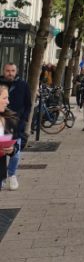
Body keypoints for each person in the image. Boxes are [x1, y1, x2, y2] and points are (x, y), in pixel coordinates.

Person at [2, 63, 31, 191]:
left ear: (16, 71)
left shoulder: (23, 85)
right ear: (4, 71)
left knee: (15, 153)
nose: (10, 73)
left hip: (16, 125)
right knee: (2, 153)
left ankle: (12, 174)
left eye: (13, 70)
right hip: (2, 124)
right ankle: (2, 177)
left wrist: (23, 120)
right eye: (8, 70)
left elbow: (28, 104)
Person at [0, 84, 21, 192]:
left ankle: (11, 176)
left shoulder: (8, 118)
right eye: (4, 98)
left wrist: (12, 149)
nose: (8, 102)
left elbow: (16, 144)